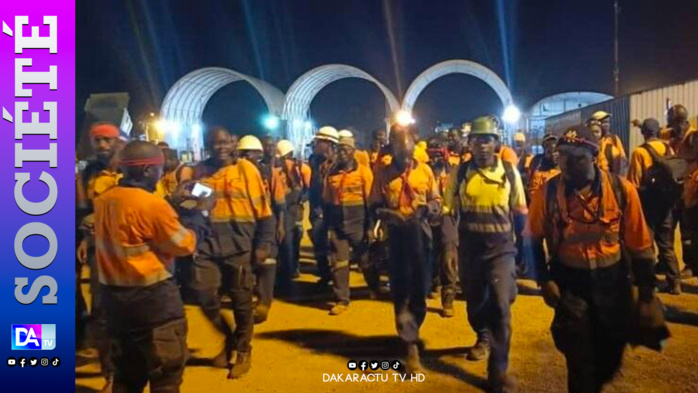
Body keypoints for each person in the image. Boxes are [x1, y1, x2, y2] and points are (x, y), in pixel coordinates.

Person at [527, 125, 659, 393]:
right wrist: (543, 280)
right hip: (570, 281)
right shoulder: (549, 192)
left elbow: (641, 245)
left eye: (577, 157)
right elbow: (531, 238)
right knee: (579, 357)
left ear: (594, 157)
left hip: (613, 283)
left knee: (609, 352)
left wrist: (646, 296)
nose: (567, 163)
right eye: (563, 155)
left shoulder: (622, 190)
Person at [93, 141, 204, 393]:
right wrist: (199, 218)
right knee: (165, 375)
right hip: (154, 304)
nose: (160, 174)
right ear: (145, 170)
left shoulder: (104, 200)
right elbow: (183, 245)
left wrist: (171, 205)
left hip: (115, 302)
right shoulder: (152, 205)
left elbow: (133, 229)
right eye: (158, 169)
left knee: (127, 376)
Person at [444, 115, 526, 393]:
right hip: (470, 250)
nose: (482, 146)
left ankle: (498, 371)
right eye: (478, 140)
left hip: (501, 250)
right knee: (475, 302)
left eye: (488, 140)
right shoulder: (460, 173)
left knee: (502, 306)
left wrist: (523, 251)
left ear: (497, 143)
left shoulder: (510, 172)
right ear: (470, 144)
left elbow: (520, 213)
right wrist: (449, 248)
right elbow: (448, 212)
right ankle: (482, 335)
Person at [187, 127, 275, 378]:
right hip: (207, 246)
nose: (220, 147)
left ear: (233, 142)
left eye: (224, 142)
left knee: (241, 302)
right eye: (214, 143)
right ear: (207, 145)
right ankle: (230, 338)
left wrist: (263, 244)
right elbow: (195, 208)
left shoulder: (246, 169)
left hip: (239, 246)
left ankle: (243, 350)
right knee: (204, 296)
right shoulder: (200, 172)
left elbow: (263, 210)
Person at [370, 123, 441, 374]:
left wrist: (428, 209)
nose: (404, 148)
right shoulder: (383, 173)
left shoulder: (426, 172)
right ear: (392, 147)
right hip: (397, 238)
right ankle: (410, 344)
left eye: (407, 143)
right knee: (401, 289)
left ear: (414, 143)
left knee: (420, 289)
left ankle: (414, 326)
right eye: (398, 144)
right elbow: (374, 207)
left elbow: (436, 200)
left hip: (422, 236)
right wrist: (389, 215)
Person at [76, 122, 125, 392]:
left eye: (108, 140)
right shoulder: (88, 174)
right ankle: (111, 373)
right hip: (101, 252)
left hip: (134, 250)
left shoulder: (133, 167)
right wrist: (85, 237)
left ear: (118, 141)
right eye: (98, 141)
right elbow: (84, 211)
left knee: (136, 310)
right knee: (102, 312)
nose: (103, 146)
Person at [322, 135, 378, 314]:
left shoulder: (363, 172)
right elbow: (327, 200)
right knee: (339, 262)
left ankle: (374, 287)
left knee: (365, 260)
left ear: (353, 152)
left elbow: (371, 202)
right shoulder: (331, 173)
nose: (343, 153)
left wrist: (370, 227)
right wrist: (329, 224)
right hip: (338, 223)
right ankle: (342, 299)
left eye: (346, 149)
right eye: (340, 150)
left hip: (358, 222)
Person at [627, 118, 682, 294]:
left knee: (647, 244)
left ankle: (649, 281)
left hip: (647, 205)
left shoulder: (639, 152)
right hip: (666, 205)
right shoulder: (668, 148)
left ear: (643, 133)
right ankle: (675, 283)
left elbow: (633, 183)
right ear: (658, 131)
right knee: (667, 245)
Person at [238, 135, 287, 323]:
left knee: (267, 262)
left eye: (251, 155)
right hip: (244, 224)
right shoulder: (234, 174)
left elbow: (279, 202)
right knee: (249, 262)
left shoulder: (269, 173)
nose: (248, 159)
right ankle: (251, 297)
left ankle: (264, 302)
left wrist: (280, 224)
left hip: (266, 221)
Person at [426, 135, 459, 318]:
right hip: (427, 217)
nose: (436, 158)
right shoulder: (422, 171)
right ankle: (433, 282)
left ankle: (448, 297)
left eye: (439, 153)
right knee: (430, 251)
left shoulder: (456, 171)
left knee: (448, 256)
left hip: (448, 217)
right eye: (432, 153)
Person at [275, 139, 311, 291]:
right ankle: (290, 270)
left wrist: (284, 201)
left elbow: (301, 189)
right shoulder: (287, 167)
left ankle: (289, 272)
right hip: (288, 208)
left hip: (290, 209)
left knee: (290, 241)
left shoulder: (294, 167)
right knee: (289, 241)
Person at [308, 126, 340, 288]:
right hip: (318, 208)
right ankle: (325, 274)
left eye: (319, 142)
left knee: (337, 245)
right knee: (319, 243)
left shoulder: (340, 162)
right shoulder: (313, 160)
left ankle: (338, 280)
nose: (315, 145)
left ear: (329, 143)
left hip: (335, 209)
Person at [527, 133, 560, 201]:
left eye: (555, 151)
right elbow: (532, 188)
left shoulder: (563, 164)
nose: (553, 154)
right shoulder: (537, 162)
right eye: (549, 151)